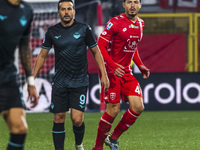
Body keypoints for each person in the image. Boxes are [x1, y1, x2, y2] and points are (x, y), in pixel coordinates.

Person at [33, 0, 109, 150]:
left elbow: (96, 52)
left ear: (74, 11)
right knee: (58, 118)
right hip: (60, 82)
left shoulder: (84, 29)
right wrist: (32, 78)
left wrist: (104, 74)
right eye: (63, 9)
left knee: (77, 120)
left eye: (69, 9)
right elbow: (42, 55)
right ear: (58, 12)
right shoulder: (52, 32)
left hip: (79, 81)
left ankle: (78, 144)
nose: (66, 12)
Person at [92, 0, 150, 150]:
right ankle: (97, 147)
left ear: (140, 5)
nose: (132, 5)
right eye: (129, 2)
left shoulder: (141, 24)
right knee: (113, 109)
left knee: (138, 107)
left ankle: (113, 138)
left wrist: (140, 65)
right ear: (123, 5)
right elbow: (100, 46)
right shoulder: (114, 23)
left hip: (125, 71)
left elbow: (133, 47)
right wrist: (112, 66)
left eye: (136, 2)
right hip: (110, 70)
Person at [0, 0, 39, 150]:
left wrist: (30, 82)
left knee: (20, 128)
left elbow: (24, 45)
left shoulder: (27, 11)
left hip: (7, 75)